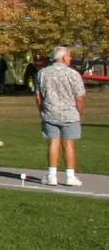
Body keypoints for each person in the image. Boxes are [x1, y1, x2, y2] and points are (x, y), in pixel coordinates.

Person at [36, 45, 88, 187]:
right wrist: (79, 112)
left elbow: (38, 96)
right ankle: (70, 176)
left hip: (50, 112)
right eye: (69, 56)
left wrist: (42, 111)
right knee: (69, 144)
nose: (70, 58)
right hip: (69, 114)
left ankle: (52, 175)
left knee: (53, 143)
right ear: (64, 57)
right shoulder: (73, 74)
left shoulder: (42, 73)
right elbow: (80, 97)